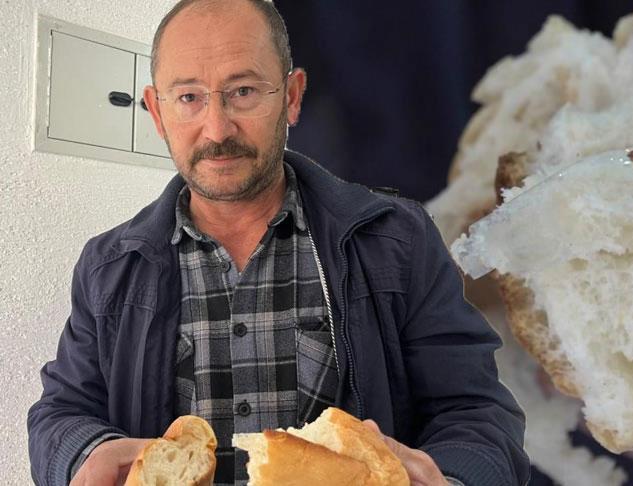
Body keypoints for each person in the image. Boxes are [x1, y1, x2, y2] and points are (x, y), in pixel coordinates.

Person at [27, 1, 529, 484]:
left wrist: (450, 478)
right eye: (188, 98)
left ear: (291, 96)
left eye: (243, 90)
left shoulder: (397, 239)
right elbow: (63, 411)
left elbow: (475, 411)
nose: (217, 129)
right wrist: (89, 454)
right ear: (157, 112)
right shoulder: (109, 266)